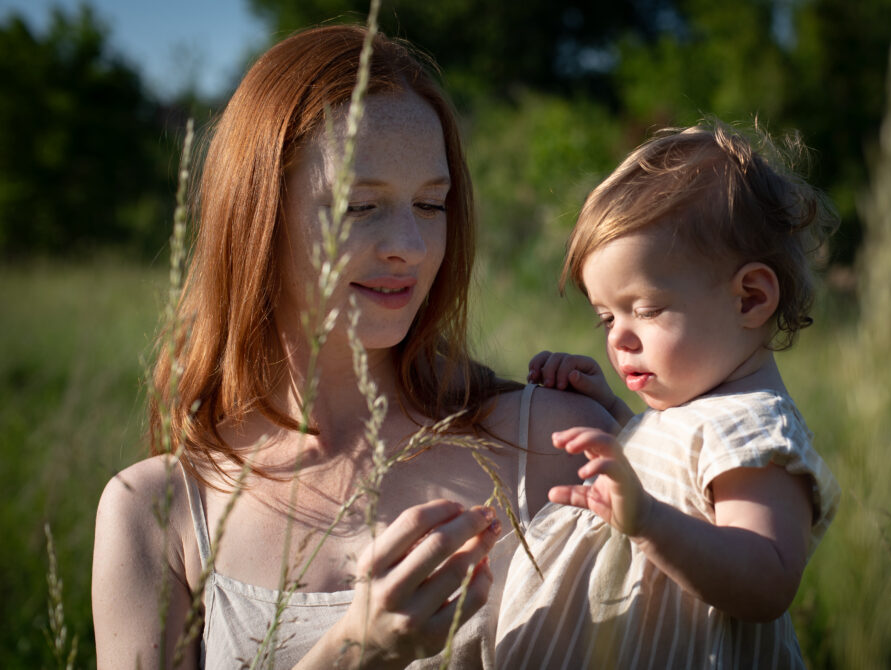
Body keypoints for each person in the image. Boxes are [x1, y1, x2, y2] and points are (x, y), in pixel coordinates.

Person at [91, 24, 616, 669]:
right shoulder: (155, 512)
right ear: (257, 216)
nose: (411, 247)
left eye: (431, 204)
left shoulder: (558, 446)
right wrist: (353, 652)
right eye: (359, 206)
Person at [495, 122, 841, 668]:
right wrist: (611, 410)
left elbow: (767, 580)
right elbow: (672, 466)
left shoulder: (753, 431)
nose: (618, 337)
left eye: (646, 310)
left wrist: (649, 522)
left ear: (750, 298)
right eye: (606, 317)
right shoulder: (701, 409)